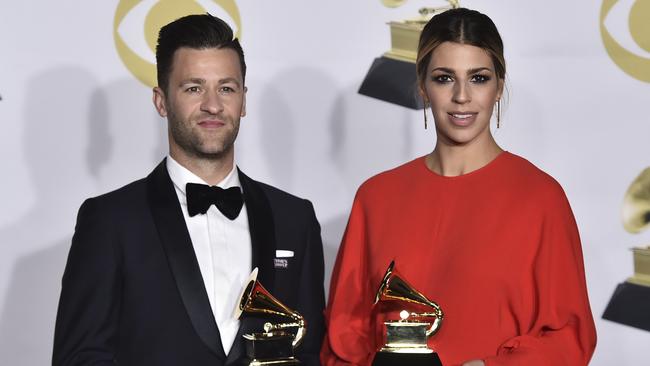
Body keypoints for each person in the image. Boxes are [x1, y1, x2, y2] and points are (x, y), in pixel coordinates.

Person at [321, 8, 596, 366]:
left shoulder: (540, 198)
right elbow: (342, 340)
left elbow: (570, 338)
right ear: (422, 86)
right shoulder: (375, 197)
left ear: (499, 86)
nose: (462, 96)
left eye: (479, 78)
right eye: (444, 78)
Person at [53, 14, 325, 366]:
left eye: (226, 88)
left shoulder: (295, 218)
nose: (213, 105)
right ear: (161, 100)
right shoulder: (109, 220)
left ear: (243, 101)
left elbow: (308, 353)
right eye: (193, 88)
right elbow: (79, 358)